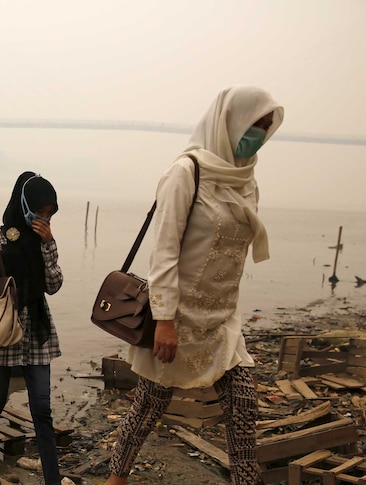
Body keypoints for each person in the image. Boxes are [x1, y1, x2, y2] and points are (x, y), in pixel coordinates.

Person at [104, 86, 284, 485]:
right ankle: (115, 480)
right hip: (177, 315)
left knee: (242, 404)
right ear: (231, 120)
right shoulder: (186, 173)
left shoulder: (246, 179)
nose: (261, 135)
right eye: (257, 124)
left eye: (267, 128)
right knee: (151, 403)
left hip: (222, 318)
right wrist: (164, 320)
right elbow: (164, 252)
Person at [0, 172, 63, 485]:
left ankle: (52, 478)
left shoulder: (44, 242)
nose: (44, 218)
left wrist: (49, 244)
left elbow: (53, 285)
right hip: (3, 332)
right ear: (24, 203)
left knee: (42, 409)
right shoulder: (0, 239)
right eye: (40, 211)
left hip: (37, 332)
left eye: (49, 213)